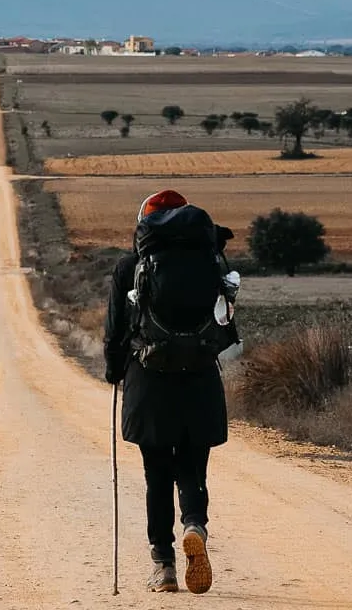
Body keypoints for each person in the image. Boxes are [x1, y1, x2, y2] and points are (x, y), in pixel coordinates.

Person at [103, 189, 235, 595]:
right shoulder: (210, 261)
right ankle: (194, 522)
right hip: (199, 378)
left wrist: (114, 373)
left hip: (150, 381)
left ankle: (164, 565)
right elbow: (226, 327)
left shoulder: (130, 266)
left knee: (156, 473)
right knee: (194, 466)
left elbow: (114, 333)